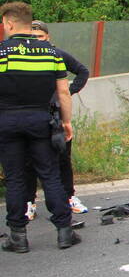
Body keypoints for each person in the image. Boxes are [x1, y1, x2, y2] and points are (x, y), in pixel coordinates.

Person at [0, 2, 80, 252]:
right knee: (50, 175)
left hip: (7, 120)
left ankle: (18, 236)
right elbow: (63, 91)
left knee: (15, 178)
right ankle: (65, 232)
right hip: (41, 120)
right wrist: (66, 122)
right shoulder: (51, 53)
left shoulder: (2, 53)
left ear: (10, 23)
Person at [23, 19, 90, 217]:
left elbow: (82, 71)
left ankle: (69, 197)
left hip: (56, 115)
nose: (36, 41)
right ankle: (29, 203)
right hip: (30, 115)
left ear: (48, 37)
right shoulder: (23, 57)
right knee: (28, 161)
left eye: (40, 37)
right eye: (32, 37)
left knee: (62, 158)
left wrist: (68, 91)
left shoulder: (56, 54)